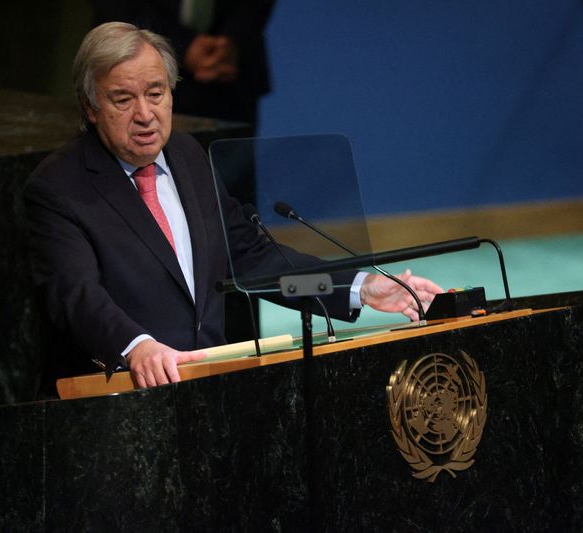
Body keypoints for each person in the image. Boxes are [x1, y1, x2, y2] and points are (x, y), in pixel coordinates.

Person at [24, 22, 442, 393]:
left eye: (155, 94)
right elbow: (74, 294)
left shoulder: (187, 155)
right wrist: (137, 346)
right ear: (90, 107)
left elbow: (255, 261)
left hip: (211, 387)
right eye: (122, 100)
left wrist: (358, 288)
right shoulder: (60, 187)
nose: (145, 115)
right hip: (121, 395)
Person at [92, 0, 274, 125]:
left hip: (231, 75)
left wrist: (233, 38)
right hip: (135, 65)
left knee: (226, 177)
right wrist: (181, 45)